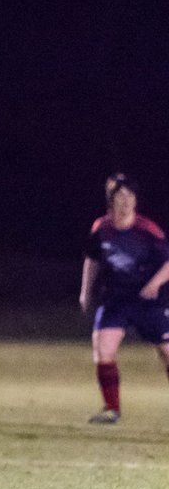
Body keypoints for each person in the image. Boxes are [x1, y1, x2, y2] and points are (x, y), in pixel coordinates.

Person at [78, 173, 169, 423]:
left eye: (130, 196)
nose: (126, 201)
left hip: (148, 301)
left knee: (166, 352)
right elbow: (92, 259)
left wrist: (154, 284)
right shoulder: (101, 228)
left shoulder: (147, 230)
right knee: (103, 351)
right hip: (115, 300)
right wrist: (85, 291)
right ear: (111, 201)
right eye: (120, 196)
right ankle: (111, 409)